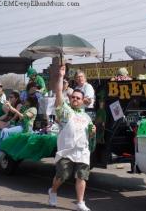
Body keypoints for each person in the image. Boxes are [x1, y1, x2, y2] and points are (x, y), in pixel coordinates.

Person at [48, 64, 96, 211]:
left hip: (82, 151)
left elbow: (90, 134)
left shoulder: (86, 116)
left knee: (81, 176)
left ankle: (80, 202)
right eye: (73, 97)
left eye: (78, 98)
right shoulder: (66, 112)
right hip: (66, 150)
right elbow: (58, 95)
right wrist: (61, 76)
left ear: (82, 101)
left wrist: (93, 131)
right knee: (62, 175)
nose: (75, 99)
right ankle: (53, 191)